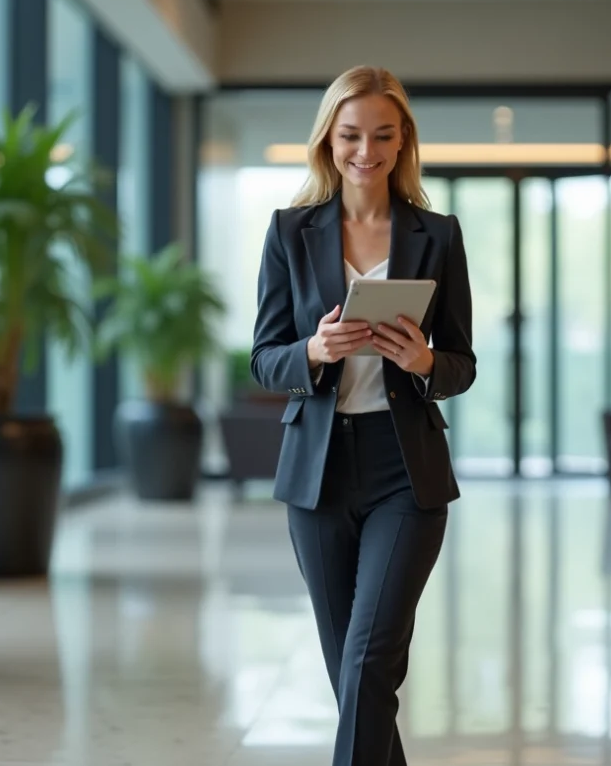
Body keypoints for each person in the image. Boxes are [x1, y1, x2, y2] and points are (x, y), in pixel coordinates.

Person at [250, 65, 477, 766]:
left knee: (371, 659)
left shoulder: (436, 234)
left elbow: (462, 361)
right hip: (317, 475)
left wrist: (421, 363)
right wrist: (314, 349)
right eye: (350, 135)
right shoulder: (290, 232)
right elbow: (264, 357)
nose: (365, 151)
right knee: (353, 675)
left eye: (383, 134)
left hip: (404, 472)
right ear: (328, 140)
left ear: (403, 139)